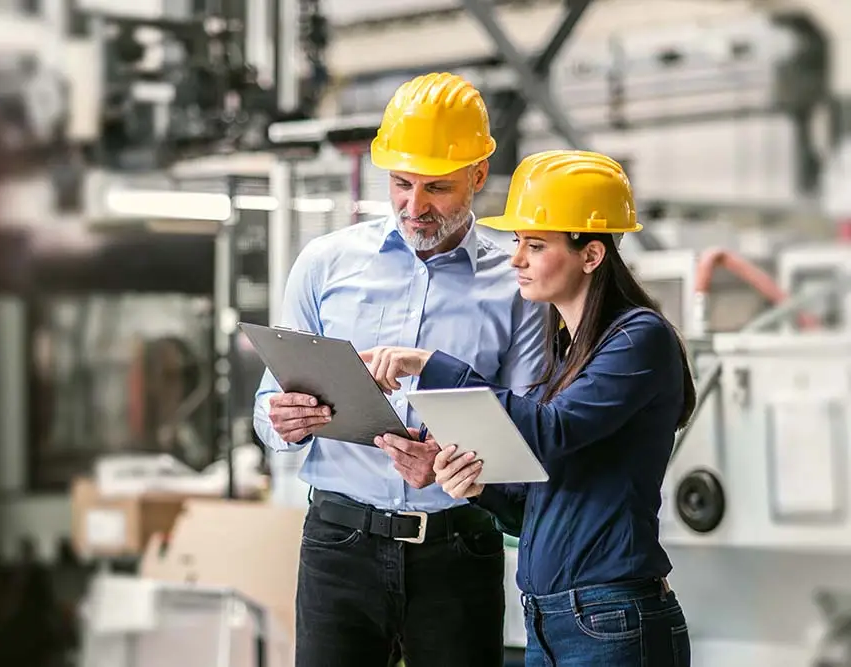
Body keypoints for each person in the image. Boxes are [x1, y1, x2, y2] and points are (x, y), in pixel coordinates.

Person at [252, 72, 546, 667]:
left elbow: (529, 432)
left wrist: (448, 459)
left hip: (459, 547)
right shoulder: (324, 263)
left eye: (436, 187)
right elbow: (266, 407)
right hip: (339, 543)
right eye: (402, 184)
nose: (415, 207)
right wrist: (282, 420)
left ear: (479, 176)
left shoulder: (516, 282)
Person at [361, 149, 697, 667]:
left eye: (536, 245)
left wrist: (431, 365)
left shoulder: (638, 339)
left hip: (611, 619)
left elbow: (550, 431)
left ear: (591, 255)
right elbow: (537, 503)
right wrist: (477, 485)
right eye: (518, 241)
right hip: (552, 619)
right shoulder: (566, 352)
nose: (516, 258)